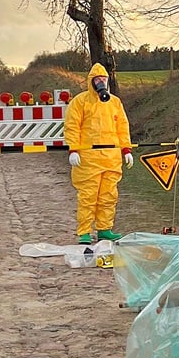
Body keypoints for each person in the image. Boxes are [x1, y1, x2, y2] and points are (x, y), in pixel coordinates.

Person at [64, 63, 134, 245]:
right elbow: (72, 126)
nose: (101, 83)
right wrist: (73, 148)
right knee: (88, 196)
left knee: (109, 195)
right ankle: (84, 232)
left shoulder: (115, 103)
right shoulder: (80, 102)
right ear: (91, 82)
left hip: (111, 157)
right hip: (89, 157)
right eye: (97, 80)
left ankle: (104, 229)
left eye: (103, 79)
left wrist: (126, 149)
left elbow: (122, 127)